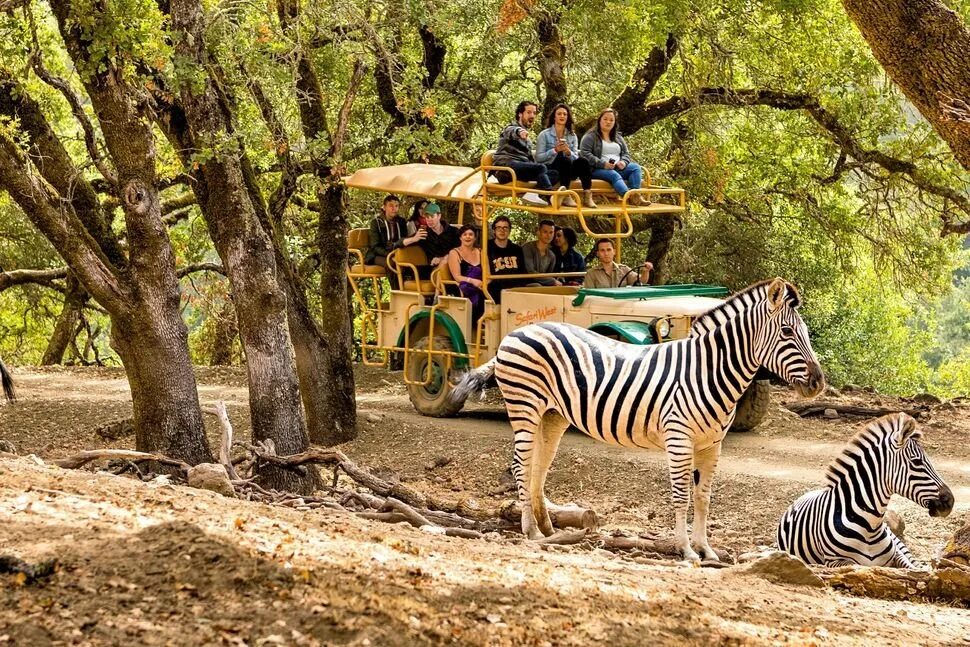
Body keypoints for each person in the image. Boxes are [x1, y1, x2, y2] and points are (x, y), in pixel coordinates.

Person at [580, 108, 650, 206]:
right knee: (614, 175)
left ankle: (636, 196)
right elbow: (585, 154)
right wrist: (603, 164)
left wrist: (624, 162)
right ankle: (627, 197)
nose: (608, 122)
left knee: (635, 167)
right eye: (605, 119)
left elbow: (626, 154)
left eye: (611, 120)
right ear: (599, 120)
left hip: (618, 167)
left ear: (614, 122)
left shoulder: (618, 137)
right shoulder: (590, 136)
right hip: (597, 169)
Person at [492, 101, 558, 203]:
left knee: (554, 173)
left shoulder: (528, 140)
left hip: (520, 168)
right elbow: (511, 131)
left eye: (534, 113)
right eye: (529, 112)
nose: (532, 115)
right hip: (506, 168)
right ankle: (550, 196)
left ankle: (533, 193)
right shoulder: (511, 128)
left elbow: (530, 161)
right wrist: (519, 132)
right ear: (520, 114)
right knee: (541, 168)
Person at [535, 103, 596, 209]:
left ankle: (587, 194)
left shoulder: (572, 136)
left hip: (568, 170)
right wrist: (555, 150)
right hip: (551, 168)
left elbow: (576, 157)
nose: (562, 116)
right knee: (564, 160)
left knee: (583, 161)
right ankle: (566, 194)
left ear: (568, 117)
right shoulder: (544, 134)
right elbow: (539, 158)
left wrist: (568, 152)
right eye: (559, 114)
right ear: (554, 116)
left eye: (565, 114)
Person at [447, 224, 485, 325]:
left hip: (480, 283)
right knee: (479, 294)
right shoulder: (454, 253)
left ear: (475, 237)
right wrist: (472, 281)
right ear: (460, 237)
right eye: (465, 234)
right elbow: (457, 276)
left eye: (471, 234)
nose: (468, 237)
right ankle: (476, 324)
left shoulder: (480, 252)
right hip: (464, 284)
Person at [486, 215, 525, 303]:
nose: (502, 231)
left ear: (509, 231)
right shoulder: (487, 247)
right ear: (494, 230)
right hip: (496, 288)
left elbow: (522, 272)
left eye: (505, 228)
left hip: (515, 287)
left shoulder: (517, 249)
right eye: (499, 228)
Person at [584, 238, 652, 288]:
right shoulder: (591, 273)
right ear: (598, 253)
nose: (606, 253)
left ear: (614, 252)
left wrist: (645, 272)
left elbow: (641, 281)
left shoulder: (624, 269)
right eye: (602, 250)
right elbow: (589, 296)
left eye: (609, 250)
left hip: (622, 306)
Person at [365, 194, 407, 269]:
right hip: (377, 255)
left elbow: (404, 239)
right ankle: (397, 281)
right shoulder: (376, 222)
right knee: (392, 264)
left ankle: (409, 281)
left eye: (396, 206)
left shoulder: (401, 222)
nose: (394, 209)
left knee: (408, 263)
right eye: (391, 206)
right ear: (384, 207)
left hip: (397, 253)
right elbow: (375, 246)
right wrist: (390, 255)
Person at [416, 202, 459, 271]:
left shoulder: (453, 231)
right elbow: (399, 243)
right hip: (434, 269)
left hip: (454, 266)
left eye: (432, 216)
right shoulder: (424, 233)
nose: (429, 220)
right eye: (427, 217)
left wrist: (443, 259)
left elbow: (461, 250)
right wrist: (414, 238)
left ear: (439, 216)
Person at [521, 219, 561, 286]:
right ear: (538, 232)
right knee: (537, 286)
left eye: (551, 232)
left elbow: (548, 276)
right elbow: (530, 272)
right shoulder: (528, 248)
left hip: (542, 285)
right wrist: (552, 281)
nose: (548, 235)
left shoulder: (551, 255)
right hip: (525, 283)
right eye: (545, 232)